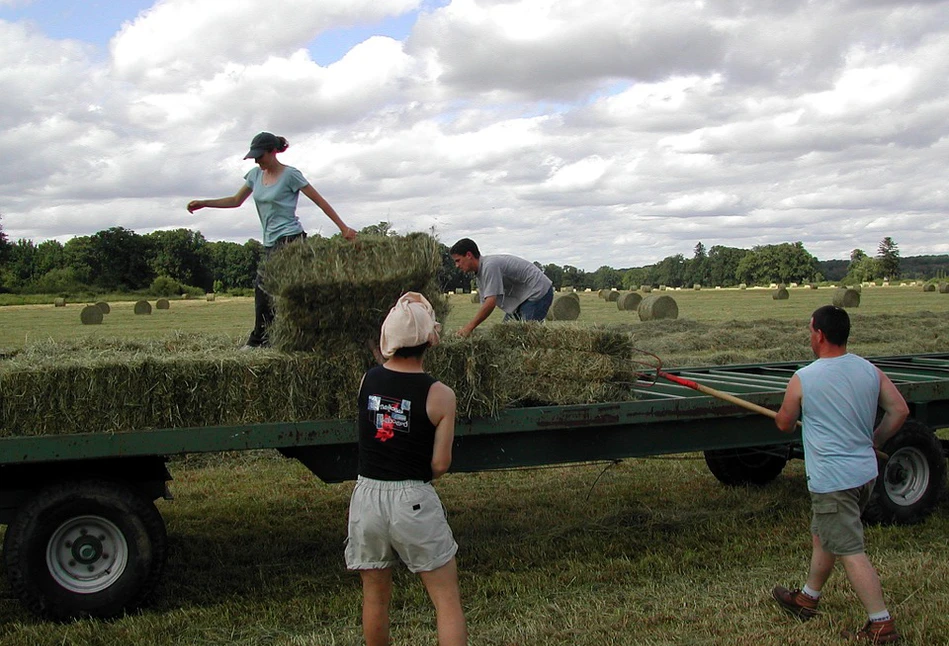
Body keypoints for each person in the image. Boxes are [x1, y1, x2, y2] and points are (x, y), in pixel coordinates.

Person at [772, 305, 909, 643]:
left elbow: (784, 423)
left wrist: (787, 414)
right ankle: (807, 598)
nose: (809, 335)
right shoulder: (868, 370)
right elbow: (899, 410)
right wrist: (874, 440)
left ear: (819, 334)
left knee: (849, 548)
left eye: (809, 330)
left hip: (834, 480)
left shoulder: (805, 377)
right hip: (864, 474)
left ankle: (881, 623)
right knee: (825, 534)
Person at [345, 292, 467, 646]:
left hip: (366, 497)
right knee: (446, 600)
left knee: (375, 597)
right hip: (412, 497)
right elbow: (440, 464)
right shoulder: (441, 394)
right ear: (431, 339)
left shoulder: (367, 380)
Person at [187, 132, 357, 347]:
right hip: (269, 242)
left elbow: (320, 202)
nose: (257, 160)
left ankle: (258, 340)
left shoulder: (290, 175)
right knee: (278, 291)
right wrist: (204, 203)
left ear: (273, 152)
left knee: (263, 286)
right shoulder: (254, 175)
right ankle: (282, 337)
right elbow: (235, 201)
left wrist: (344, 228)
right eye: (254, 157)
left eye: (260, 156)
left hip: (291, 240)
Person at [449, 238, 554, 338]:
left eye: (458, 260)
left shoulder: (490, 266)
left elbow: (491, 303)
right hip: (522, 299)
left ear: (468, 255)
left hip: (536, 291)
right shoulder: (480, 275)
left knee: (526, 338)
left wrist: (469, 328)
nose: (456, 265)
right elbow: (484, 305)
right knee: (505, 335)